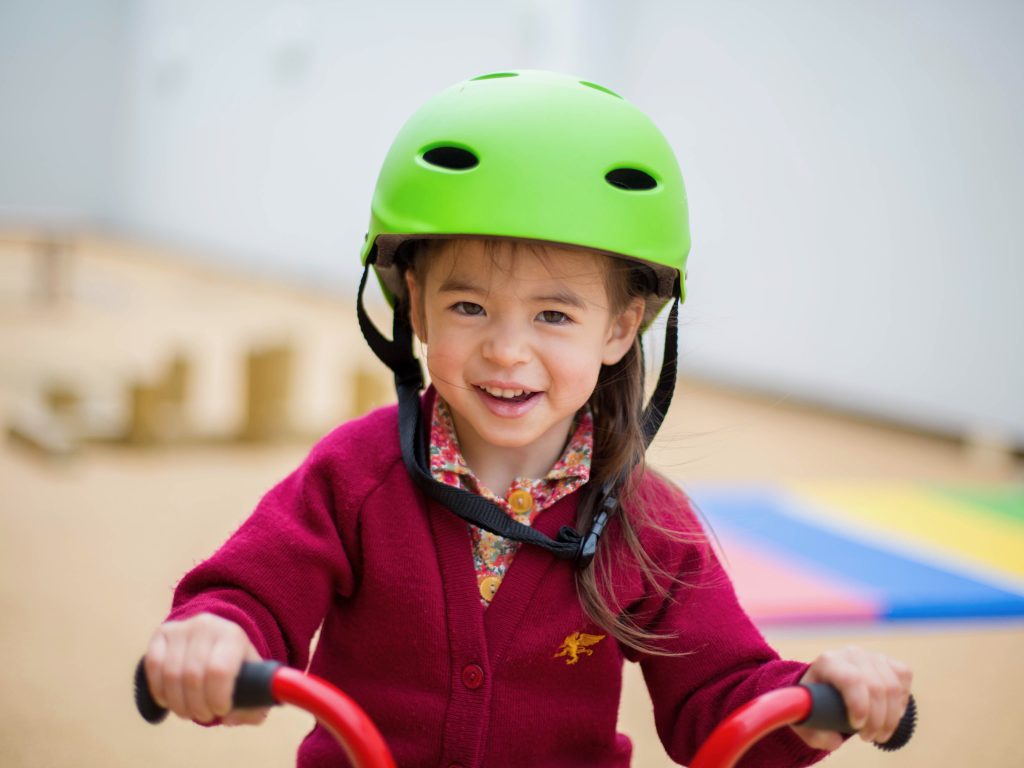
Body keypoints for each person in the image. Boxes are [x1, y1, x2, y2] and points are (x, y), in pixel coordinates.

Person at [142, 70, 912, 767]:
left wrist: (814, 699)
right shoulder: (355, 476)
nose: (507, 351)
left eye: (552, 314)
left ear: (619, 329)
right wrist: (217, 636)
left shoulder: (648, 524)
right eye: (468, 305)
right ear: (414, 304)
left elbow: (724, 698)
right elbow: (253, 593)